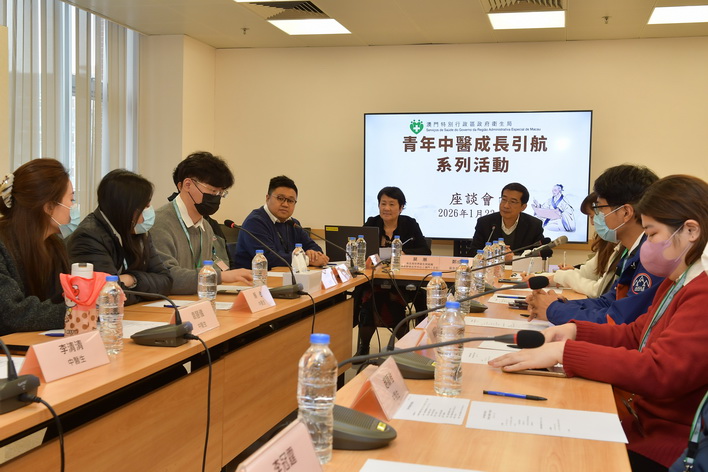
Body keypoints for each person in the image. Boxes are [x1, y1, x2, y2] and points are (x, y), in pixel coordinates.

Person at [491, 175, 708, 472]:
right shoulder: (680, 279)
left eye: (652, 233)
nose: (647, 244)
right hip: (639, 421)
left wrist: (565, 352)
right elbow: (636, 333)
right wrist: (575, 330)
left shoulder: (702, 290)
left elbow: (660, 371)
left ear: (691, 231)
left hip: (666, 445)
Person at [527, 164, 664, 325]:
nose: (596, 218)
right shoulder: (632, 251)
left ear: (626, 212)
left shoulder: (652, 258)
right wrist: (560, 305)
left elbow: (617, 320)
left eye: (599, 209)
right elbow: (608, 302)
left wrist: (553, 309)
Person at [151, 151, 252, 294]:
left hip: (198, 299)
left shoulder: (206, 227)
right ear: (187, 185)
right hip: (168, 304)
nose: (216, 198)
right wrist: (221, 276)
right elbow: (167, 277)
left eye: (220, 193)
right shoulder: (160, 223)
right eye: (213, 191)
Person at [67, 170, 173, 305]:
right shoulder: (89, 237)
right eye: (145, 207)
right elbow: (108, 295)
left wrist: (132, 279)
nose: (148, 212)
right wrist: (143, 291)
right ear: (126, 208)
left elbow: (166, 281)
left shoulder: (138, 231)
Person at [0, 159, 77, 335]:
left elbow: (60, 299)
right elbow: (12, 315)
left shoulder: (54, 244)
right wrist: (79, 312)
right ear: (49, 207)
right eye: (71, 199)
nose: (74, 207)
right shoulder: (3, 245)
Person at [355, 187, 431, 355]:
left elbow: (425, 251)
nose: (386, 208)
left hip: (403, 282)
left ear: (401, 207)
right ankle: (365, 347)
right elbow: (361, 249)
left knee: (389, 299)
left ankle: (404, 348)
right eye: (383, 204)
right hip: (375, 280)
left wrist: (405, 254)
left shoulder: (409, 224)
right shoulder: (372, 223)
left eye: (391, 204)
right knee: (372, 299)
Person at [233, 175, 329, 269]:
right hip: (254, 277)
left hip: (285, 275)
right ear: (267, 198)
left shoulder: (293, 224)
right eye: (280, 198)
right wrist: (307, 259)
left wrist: (314, 254)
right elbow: (270, 258)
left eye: (290, 200)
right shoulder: (255, 222)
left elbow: (315, 248)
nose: (285, 204)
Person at [537, 192, 622, 297]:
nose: (592, 223)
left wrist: (566, 277)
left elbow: (599, 290)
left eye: (593, 216)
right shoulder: (608, 244)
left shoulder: (626, 249)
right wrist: (544, 278)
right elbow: (589, 272)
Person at [468, 182, 545, 259]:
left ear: (523, 207)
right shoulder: (485, 222)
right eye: (504, 200)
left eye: (513, 202)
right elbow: (473, 252)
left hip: (521, 267)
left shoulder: (534, 225)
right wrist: (493, 254)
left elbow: (540, 254)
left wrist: (513, 257)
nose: (506, 206)